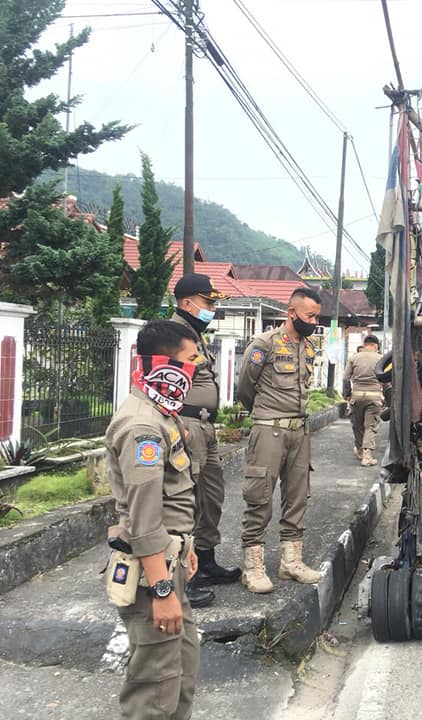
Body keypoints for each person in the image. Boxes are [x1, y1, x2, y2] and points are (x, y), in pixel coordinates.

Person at [104, 320, 201, 718]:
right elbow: (143, 521)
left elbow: (172, 498)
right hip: (151, 575)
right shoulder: (142, 427)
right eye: (190, 360)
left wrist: (186, 547)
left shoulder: (162, 413)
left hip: (169, 559)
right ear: (165, 364)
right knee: (155, 689)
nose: (196, 368)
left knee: (181, 673)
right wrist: (162, 591)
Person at [236, 287, 323, 593]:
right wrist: (264, 414)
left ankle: (291, 561)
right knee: (259, 496)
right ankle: (253, 567)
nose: (314, 322)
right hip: (269, 430)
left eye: (317, 317)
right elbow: (245, 387)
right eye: (310, 316)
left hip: (300, 431)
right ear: (292, 312)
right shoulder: (265, 343)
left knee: (297, 496)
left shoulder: (308, 347)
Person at [171, 273, 241, 609]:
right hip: (186, 425)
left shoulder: (194, 334)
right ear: (187, 303)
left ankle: (206, 561)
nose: (211, 308)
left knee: (211, 495)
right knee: (186, 499)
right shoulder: (172, 335)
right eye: (207, 302)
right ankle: (181, 577)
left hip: (205, 427)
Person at [342, 334, 383, 467]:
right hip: (374, 398)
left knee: (358, 426)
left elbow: (345, 378)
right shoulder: (381, 359)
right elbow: (387, 382)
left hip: (357, 397)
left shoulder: (354, 358)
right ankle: (367, 456)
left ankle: (360, 451)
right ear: (375, 346)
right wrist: (388, 399)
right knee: (370, 426)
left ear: (364, 344)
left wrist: (347, 394)